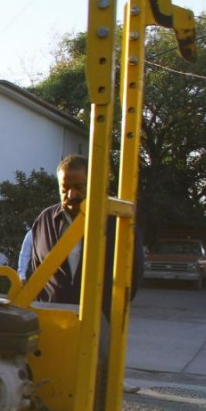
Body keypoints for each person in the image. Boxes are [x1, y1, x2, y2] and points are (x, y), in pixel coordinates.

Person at [26, 154, 144, 395]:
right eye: (64, 188)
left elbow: (134, 272)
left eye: (79, 188)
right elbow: (34, 270)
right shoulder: (45, 220)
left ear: (96, 185)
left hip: (98, 321)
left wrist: (111, 309)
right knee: (52, 386)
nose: (71, 196)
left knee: (96, 389)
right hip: (54, 321)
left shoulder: (117, 222)